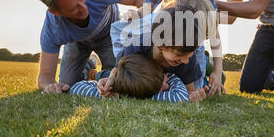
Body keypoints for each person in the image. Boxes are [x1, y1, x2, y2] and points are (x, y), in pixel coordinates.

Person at [36, 0, 145, 94]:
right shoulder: (53, 27)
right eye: (74, 8)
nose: (83, 8)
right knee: (68, 85)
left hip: (110, 35)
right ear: (56, 12)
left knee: (120, 78)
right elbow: (45, 77)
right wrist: (50, 86)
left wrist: (139, 19)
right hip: (78, 43)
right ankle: (88, 65)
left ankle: (99, 73)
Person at [99, 0, 216, 98]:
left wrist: (193, 96)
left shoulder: (188, 58)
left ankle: (209, 64)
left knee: (203, 81)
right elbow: (118, 70)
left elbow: (189, 91)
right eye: (179, 54)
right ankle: (95, 72)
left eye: (189, 53)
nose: (186, 60)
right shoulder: (135, 48)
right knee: (113, 76)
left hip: (181, 73)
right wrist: (110, 80)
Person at [70, 54, 206, 102]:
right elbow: (180, 96)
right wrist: (170, 78)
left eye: (165, 78)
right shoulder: (132, 90)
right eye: (161, 89)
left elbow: (75, 88)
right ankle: (91, 69)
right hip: (123, 75)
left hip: (118, 73)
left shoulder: (118, 91)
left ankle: (92, 69)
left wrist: (107, 88)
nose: (168, 86)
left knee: (105, 76)